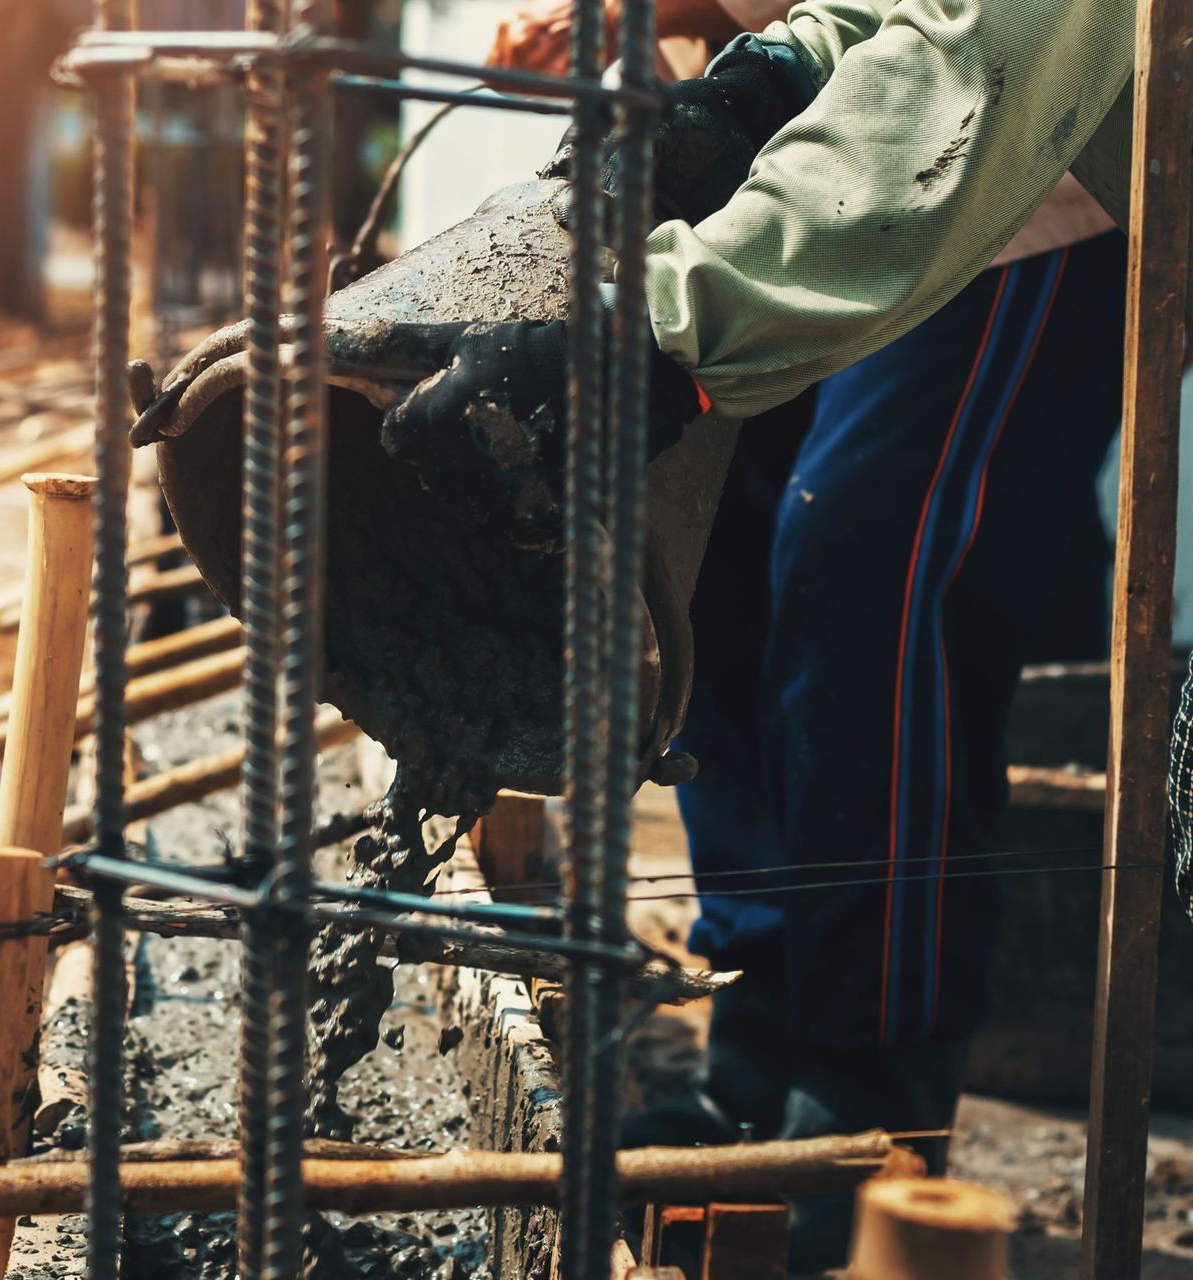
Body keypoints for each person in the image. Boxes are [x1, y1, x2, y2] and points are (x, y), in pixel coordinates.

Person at [381, 0, 1141, 1266]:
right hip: (848, 154)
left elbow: (978, 45)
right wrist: (753, 66)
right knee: (719, 557)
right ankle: (762, 1035)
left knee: (869, 572)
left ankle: (876, 1090)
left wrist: (657, 335)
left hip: (1019, 182)